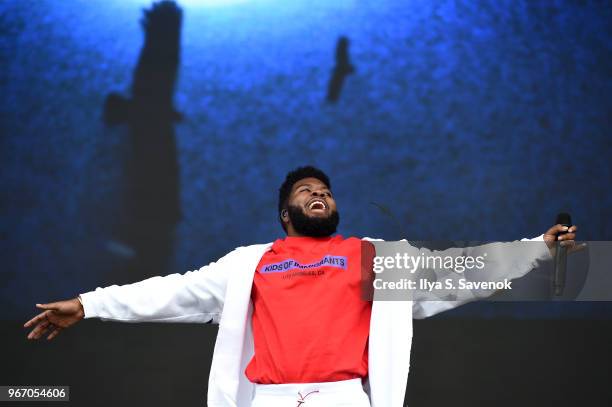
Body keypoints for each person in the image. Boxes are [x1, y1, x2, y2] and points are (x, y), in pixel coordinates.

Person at [24, 166, 578, 407]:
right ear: (284, 213)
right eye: (307, 191)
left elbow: (464, 269)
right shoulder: (250, 263)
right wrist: (89, 304)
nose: (320, 195)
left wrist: (537, 247)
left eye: (327, 191)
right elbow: (173, 291)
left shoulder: (371, 255)